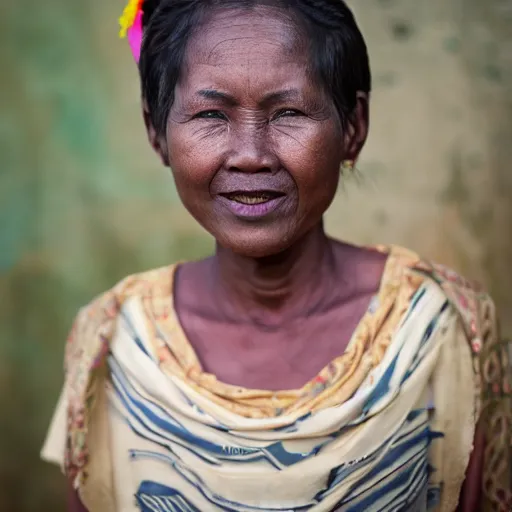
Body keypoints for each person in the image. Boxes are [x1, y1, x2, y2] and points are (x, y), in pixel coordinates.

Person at [41, 0, 511, 511]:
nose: (250, 154)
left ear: (353, 126)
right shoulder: (115, 344)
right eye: (210, 115)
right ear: (157, 132)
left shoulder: (438, 329)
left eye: (288, 113)